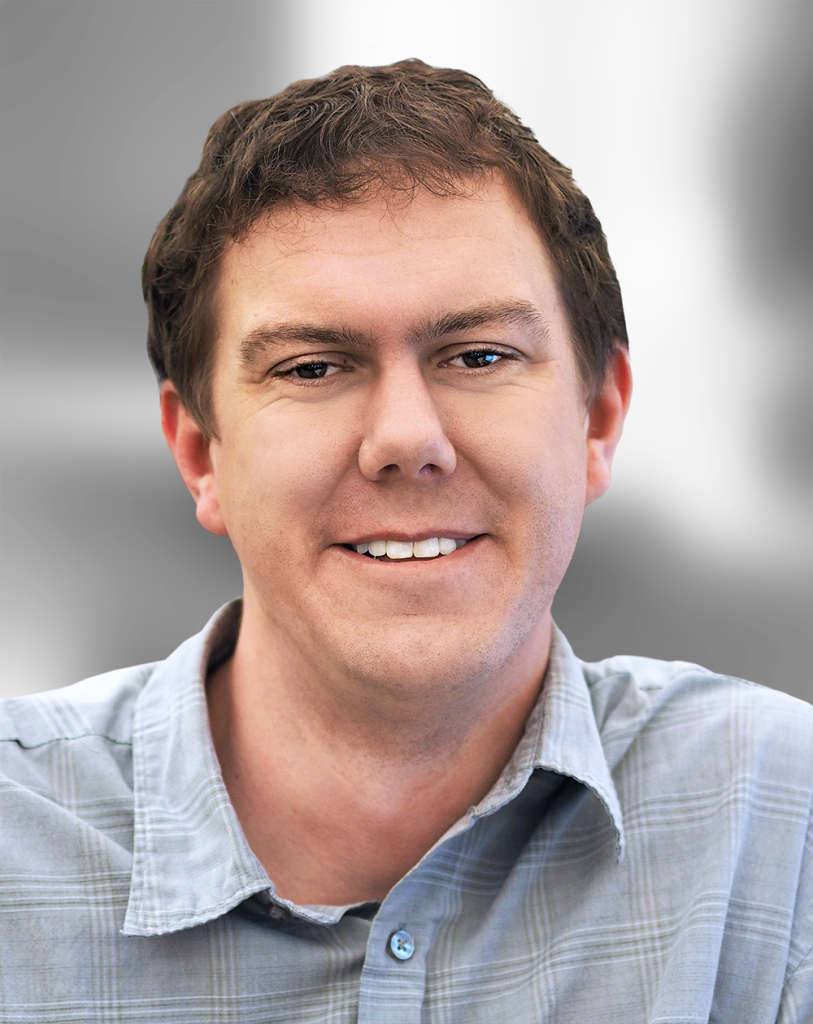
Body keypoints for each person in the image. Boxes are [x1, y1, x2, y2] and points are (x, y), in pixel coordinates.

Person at [1, 59, 810, 1024]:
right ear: (198, 452)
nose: (405, 441)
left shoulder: (783, 822)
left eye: (477, 356)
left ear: (596, 419)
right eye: (312, 366)